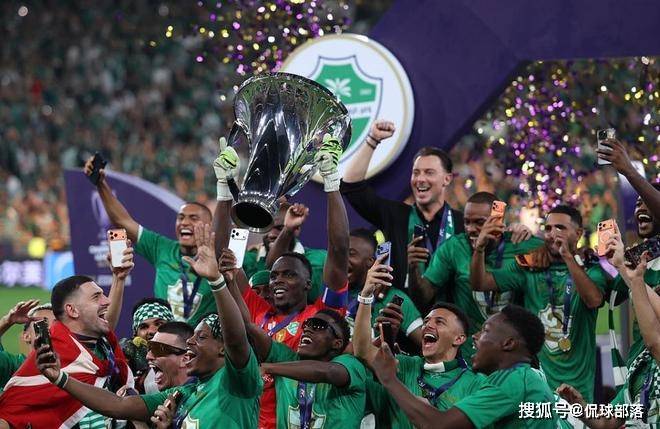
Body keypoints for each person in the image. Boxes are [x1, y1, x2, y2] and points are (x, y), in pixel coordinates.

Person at [31, 224, 263, 428]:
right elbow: (119, 405)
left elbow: (236, 338)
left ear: (223, 348)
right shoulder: (183, 394)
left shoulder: (238, 383)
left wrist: (216, 281)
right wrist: (59, 378)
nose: (190, 341)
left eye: (201, 337)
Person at [217, 136, 350, 429]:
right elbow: (223, 258)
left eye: (289, 275)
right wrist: (224, 189)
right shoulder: (256, 309)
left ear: (308, 283)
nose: (278, 281)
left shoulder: (321, 317)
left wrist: (331, 183)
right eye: (275, 275)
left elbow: (340, 250)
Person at [470, 205, 610, 402]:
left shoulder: (591, 268)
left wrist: (568, 257)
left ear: (578, 234)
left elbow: (594, 300)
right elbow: (480, 283)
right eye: (548, 228)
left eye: (560, 228)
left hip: (579, 390)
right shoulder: (529, 265)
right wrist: (479, 249)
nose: (552, 234)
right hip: (539, 387)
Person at [370, 304, 558, 428]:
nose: (475, 337)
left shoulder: (512, 381)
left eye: (485, 331)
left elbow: (438, 425)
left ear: (508, 343)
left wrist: (389, 379)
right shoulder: (528, 378)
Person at [409, 191, 542, 360]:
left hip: (510, 353)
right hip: (468, 353)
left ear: (498, 220)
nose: (471, 229)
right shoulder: (454, 248)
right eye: (467, 222)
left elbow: (557, 252)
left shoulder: (521, 244)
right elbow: (423, 298)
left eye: (480, 222)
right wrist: (413, 269)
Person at [353, 257, 485, 428]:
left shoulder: (476, 384)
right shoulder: (402, 365)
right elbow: (363, 350)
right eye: (427, 321)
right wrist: (366, 295)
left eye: (439, 322)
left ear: (459, 339)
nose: (428, 325)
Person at [84, 157, 216, 326]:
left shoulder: (220, 257)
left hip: (203, 340)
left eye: (193, 218)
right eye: (181, 217)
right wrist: (100, 184)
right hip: (165, 337)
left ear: (209, 225)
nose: (184, 222)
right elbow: (123, 221)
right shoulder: (162, 248)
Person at [341, 120, 465, 290]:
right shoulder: (396, 215)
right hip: (402, 306)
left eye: (429, 173)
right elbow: (351, 186)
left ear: (447, 179)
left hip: (449, 306)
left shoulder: (462, 224)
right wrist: (373, 139)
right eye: (416, 173)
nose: (420, 179)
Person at [0, 275, 131, 428]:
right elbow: (11, 416)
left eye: (53, 323)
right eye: (96, 297)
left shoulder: (103, 347)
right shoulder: (28, 370)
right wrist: (6, 321)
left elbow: (106, 322)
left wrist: (119, 278)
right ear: (72, 310)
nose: (107, 301)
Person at [558, 235, 660, 427]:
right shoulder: (640, 367)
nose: (642, 310)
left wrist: (632, 277)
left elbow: (654, 341)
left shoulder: (654, 348)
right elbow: (605, 423)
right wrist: (580, 406)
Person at [211, 137, 328, 303]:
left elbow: (274, 266)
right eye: (268, 226)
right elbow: (220, 257)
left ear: (297, 229)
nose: (273, 234)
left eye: (279, 228)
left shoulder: (319, 259)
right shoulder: (248, 258)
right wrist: (225, 188)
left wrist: (287, 229)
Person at [246, 306, 366, 429]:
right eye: (307, 324)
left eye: (318, 326)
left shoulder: (351, 365)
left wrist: (268, 368)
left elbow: (329, 372)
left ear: (337, 343)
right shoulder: (287, 360)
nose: (307, 329)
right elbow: (248, 326)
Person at [345, 228, 423, 349]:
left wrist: (401, 357)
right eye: (341, 252)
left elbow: (427, 342)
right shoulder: (330, 289)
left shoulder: (394, 298)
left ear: (370, 261)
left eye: (351, 253)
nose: (342, 258)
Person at [0, 301, 54, 390]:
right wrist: (6, 321)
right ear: (26, 336)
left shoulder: (73, 364)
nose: (49, 330)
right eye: (42, 324)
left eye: (56, 326)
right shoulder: (14, 366)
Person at [146, 321, 194, 392]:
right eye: (149, 347)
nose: (148, 356)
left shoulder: (202, 395)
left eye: (158, 349)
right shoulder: (151, 389)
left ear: (185, 359)